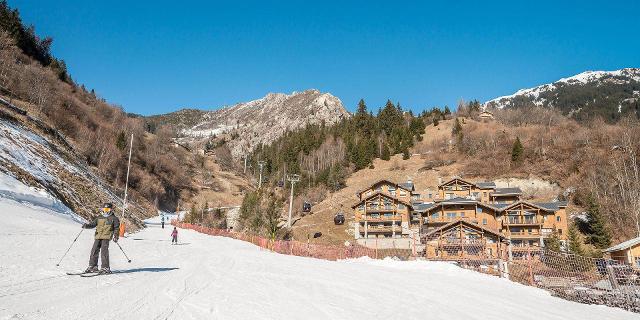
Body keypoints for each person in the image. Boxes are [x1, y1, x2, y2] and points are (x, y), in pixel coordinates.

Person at [82, 203, 120, 274]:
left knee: (104, 251)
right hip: (98, 236)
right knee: (94, 250)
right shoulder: (99, 217)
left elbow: (116, 228)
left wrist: (116, 236)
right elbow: (93, 224)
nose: (106, 211)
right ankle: (93, 266)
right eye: (104, 209)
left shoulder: (114, 218)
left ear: (111, 209)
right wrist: (86, 226)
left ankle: (105, 268)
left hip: (106, 236)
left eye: (107, 209)